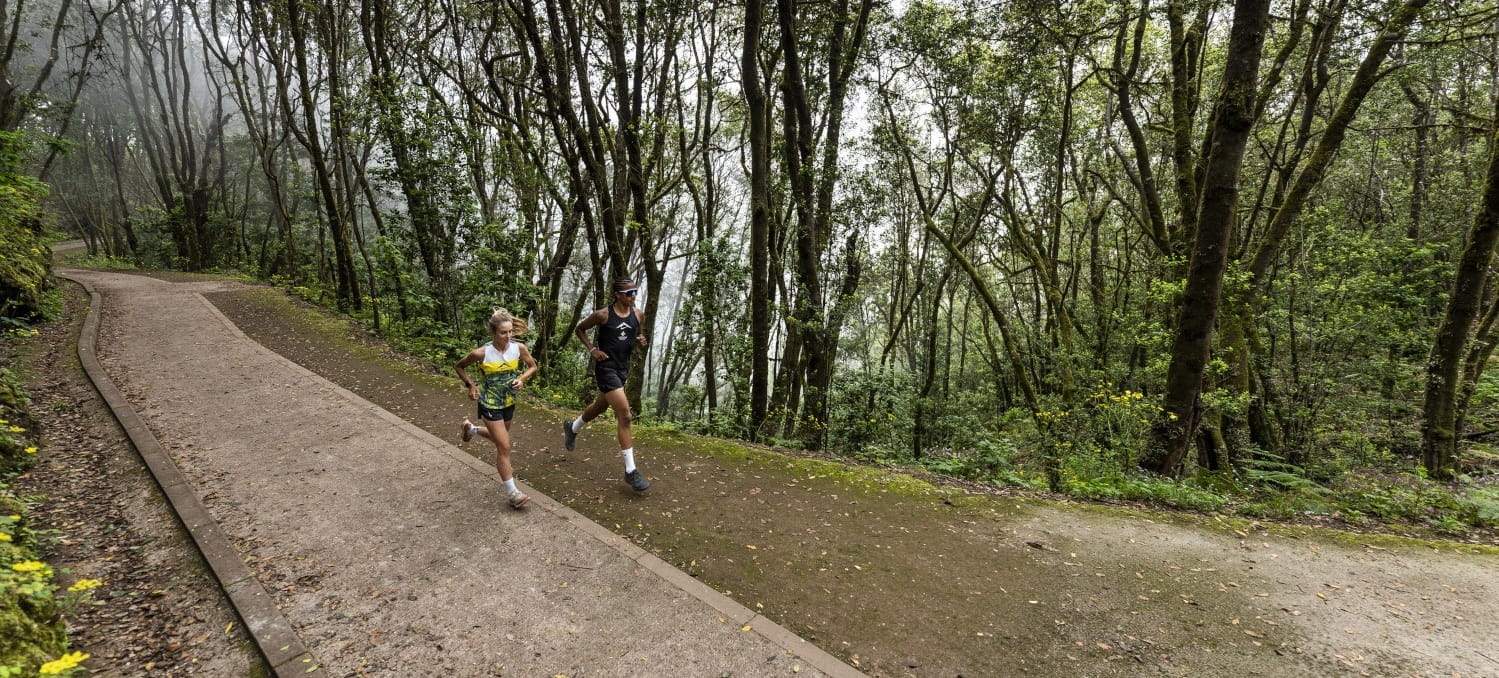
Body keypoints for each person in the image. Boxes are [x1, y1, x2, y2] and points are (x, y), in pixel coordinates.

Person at [562, 277, 650, 492]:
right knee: (625, 415)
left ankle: (573, 427)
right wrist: (592, 349)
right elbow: (580, 329)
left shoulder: (638, 314)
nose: (634, 296)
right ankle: (630, 471)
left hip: (622, 369)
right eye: (629, 293)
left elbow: (638, 334)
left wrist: (640, 339)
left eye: (635, 292)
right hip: (606, 368)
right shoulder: (603, 315)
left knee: (600, 406)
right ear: (618, 295)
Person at [456, 308, 539, 509]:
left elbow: (533, 366)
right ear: (493, 332)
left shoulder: (518, 348)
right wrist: (471, 385)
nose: (508, 336)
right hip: (489, 403)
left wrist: (521, 379)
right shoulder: (481, 353)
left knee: (499, 439)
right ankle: (513, 493)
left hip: (508, 401)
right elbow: (459, 366)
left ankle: (471, 429)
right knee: (504, 446)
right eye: (503, 332)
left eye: (510, 331)